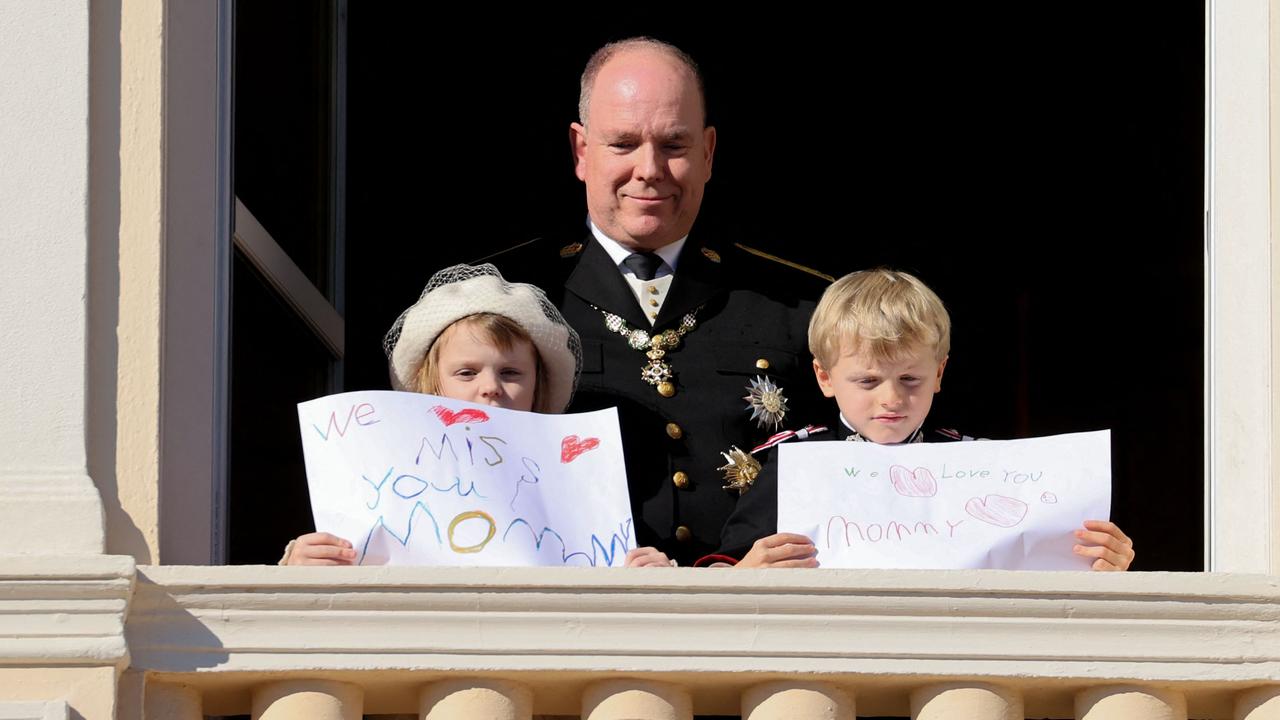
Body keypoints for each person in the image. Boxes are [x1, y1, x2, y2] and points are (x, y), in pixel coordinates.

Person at [487, 37, 831, 566]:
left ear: (708, 152)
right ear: (581, 151)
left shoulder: (802, 305)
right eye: (623, 144)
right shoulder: (505, 297)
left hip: (758, 621)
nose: (650, 169)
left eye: (674, 145)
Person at [708, 269, 1136, 571]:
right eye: (868, 380)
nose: (891, 398)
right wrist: (747, 569)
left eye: (910, 378)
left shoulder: (987, 466)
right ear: (825, 377)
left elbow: (1050, 569)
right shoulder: (793, 462)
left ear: (939, 374)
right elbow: (723, 572)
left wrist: (1102, 563)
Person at [282, 264, 674, 567]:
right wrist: (301, 563)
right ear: (432, 386)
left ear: (539, 388)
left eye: (511, 373)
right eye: (467, 373)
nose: (490, 387)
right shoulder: (372, 472)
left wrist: (648, 575)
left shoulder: (583, 484)